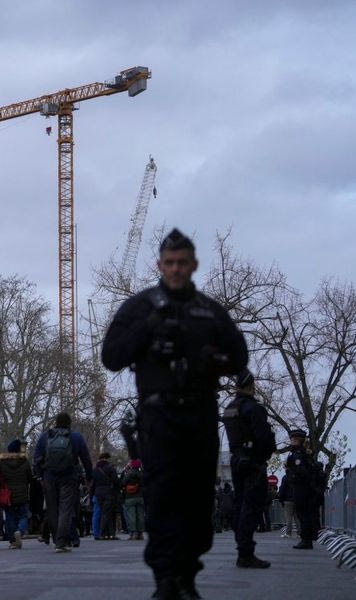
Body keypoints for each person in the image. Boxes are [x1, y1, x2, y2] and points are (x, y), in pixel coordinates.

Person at [102, 227, 247, 600]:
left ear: (193, 265)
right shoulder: (141, 307)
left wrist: (212, 360)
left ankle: (187, 572)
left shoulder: (209, 311)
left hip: (199, 414)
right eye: (170, 263)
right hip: (158, 416)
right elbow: (112, 356)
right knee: (163, 495)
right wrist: (149, 330)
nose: (176, 269)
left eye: (183, 263)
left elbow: (240, 357)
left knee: (199, 498)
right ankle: (166, 577)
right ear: (160, 265)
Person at [222, 368, 276, 568]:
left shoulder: (229, 409)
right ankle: (245, 552)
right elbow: (263, 437)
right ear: (251, 386)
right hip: (253, 461)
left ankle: (242, 547)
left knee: (240, 503)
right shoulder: (253, 408)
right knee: (251, 506)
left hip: (237, 459)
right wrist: (265, 454)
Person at [33, 411, 93, 553]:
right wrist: (89, 478)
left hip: (49, 477)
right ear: (69, 423)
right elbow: (86, 459)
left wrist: (41, 475)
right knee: (65, 508)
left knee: (52, 509)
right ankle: (62, 541)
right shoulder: (76, 437)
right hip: (68, 476)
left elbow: (36, 458)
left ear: (56, 422)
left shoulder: (45, 437)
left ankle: (56, 539)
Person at [285, 429, 316, 549]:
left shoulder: (299, 454)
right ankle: (306, 539)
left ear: (298, 440)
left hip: (301, 488)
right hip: (302, 487)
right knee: (303, 514)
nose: (291, 441)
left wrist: (291, 475)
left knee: (303, 514)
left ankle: (306, 540)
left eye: (293, 439)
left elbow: (301, 472)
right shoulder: (301, 453)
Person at [0, 439, 32, 549]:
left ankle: (13, 540)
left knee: (10, 517)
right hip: (22, 493)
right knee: (23, 516)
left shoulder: (2, 463)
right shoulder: (25, 462)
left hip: (8, 495)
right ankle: (20, 531)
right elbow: (29, 478)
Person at [92, 452, 119, 541]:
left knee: (103, 513)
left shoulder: (95, 470)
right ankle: (104, 533)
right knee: (107, 513)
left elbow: (93, 484)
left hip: (98, 493)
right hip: (108, 493)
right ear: (107, 459)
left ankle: (109, 534)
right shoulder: (110, 468)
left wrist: (92, 494)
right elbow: (116, 481)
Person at [121, 459, 144, 540]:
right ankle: (140, 534)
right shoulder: (142, 474)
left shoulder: (129, 473)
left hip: (130, 497)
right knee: (140, 515)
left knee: (131, 516)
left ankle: (134, 533)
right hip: (141, 497)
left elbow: (122, 483)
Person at [277, 473, 298, 538]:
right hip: (297, 499)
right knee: (297, 517)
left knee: (289, 517)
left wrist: (281, 499)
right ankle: (300, 533)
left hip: (288, 499)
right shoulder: (297, 476)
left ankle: (288, 533)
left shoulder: (285, 477)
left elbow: (283, 489)